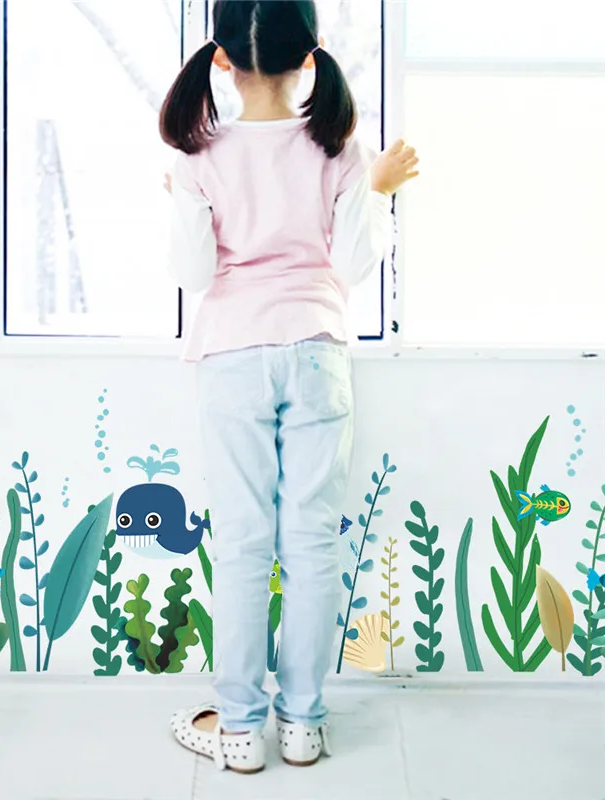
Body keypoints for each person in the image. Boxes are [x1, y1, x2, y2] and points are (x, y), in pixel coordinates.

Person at [159, 0, 418, 775]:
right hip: (316, 352)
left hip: (233, 354)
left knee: (243, 545)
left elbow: (192, 274)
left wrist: (178, 203)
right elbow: (354, 263)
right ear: (312, 55)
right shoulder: (337, 146)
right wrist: (376, 188)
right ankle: (303, 723)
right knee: (311, 543)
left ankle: (240, 730)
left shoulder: (197, 155)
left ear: (220, 59)